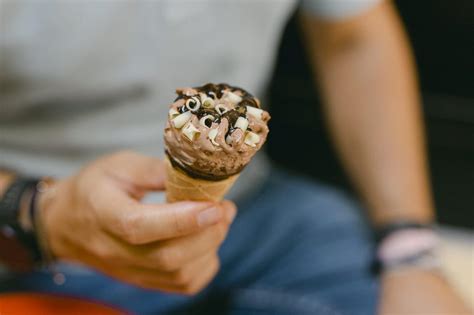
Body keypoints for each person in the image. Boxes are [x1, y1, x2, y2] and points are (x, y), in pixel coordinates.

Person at [0, 0, 469, 314]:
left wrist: (410, 249)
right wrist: (38, 210)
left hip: (256, 209)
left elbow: (353, 37)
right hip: (35, 246)